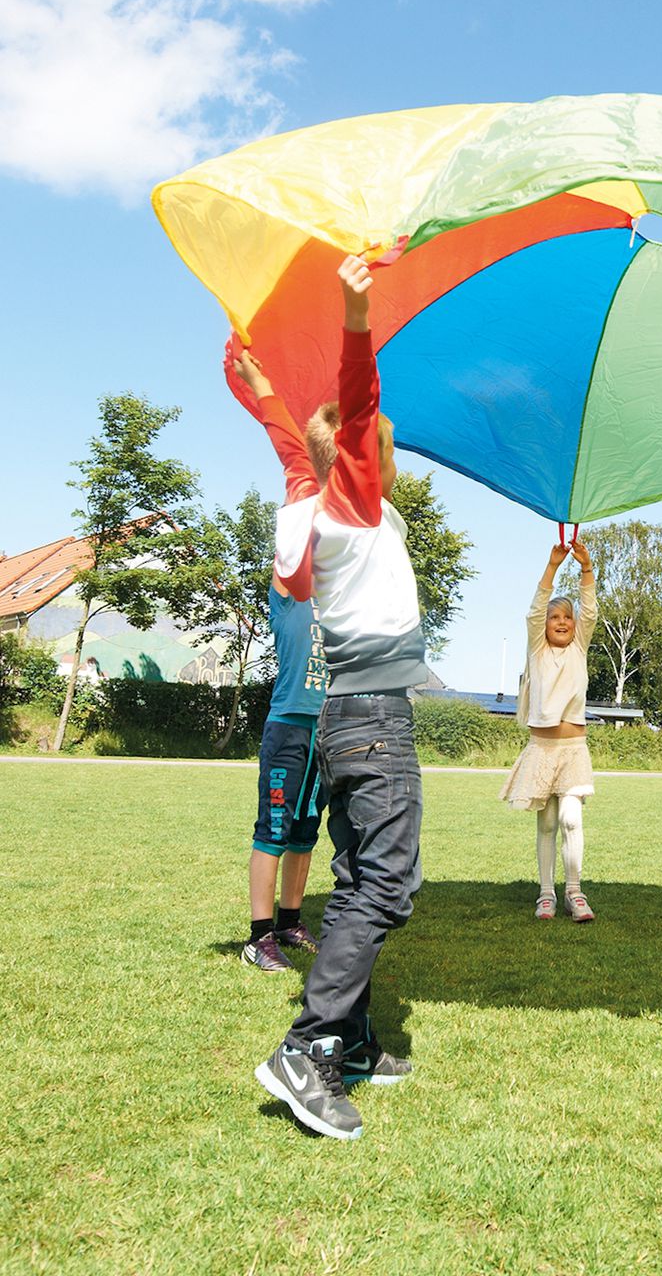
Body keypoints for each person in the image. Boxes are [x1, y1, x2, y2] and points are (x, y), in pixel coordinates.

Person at [235, 255, 426, 1141]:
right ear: (362, 454)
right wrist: (355, 311)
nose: (388, 443)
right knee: (385, 884)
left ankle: (350, 1042)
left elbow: (297, 448)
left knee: (358, 879)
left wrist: (263, 395)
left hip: (351, 719)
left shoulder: (325, 504)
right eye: (381, 439)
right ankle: (307, 1048)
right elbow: (354, 407)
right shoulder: (352, 505)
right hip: (374, 721)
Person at [499, 538, 599, 922]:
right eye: (554, 617)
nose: (561, 622)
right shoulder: (538, 650)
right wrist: (553, 566)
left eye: (567, 618)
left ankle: (574, 892)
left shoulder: (579, 648)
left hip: (573, 750)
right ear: (544, 626)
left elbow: (590, 609)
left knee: (571, 819)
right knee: (548, 823)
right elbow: (535, 608)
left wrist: (586, 567)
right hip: (542, 750)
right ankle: (546, 895)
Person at [240, 565, 328, 973]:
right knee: (274, 828)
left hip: (325, 729)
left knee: (305, 830)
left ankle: (290, 923)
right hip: (288, 728)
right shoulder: (289, 600)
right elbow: (288, 551)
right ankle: (259, 938)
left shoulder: (340, 607)